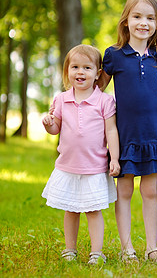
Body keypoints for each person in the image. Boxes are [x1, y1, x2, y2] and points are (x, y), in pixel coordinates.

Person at [100, 0, 157, 263]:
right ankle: (127, 248)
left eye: (150, 17)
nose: (143, 23)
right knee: (124, 191)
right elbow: (96, 90)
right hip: (125, 136)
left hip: (153, 134)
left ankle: (152, 248)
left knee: (149, 191)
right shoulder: (114, 56)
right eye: (137, 16)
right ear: (126, 21)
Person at [42, 44, 120, 265]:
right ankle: (70, 249)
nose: (80, 72)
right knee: (71, 209)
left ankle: (97, 252)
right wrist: (48, 124)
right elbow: (55, 127)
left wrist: (114, 158)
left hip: (94, 166)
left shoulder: (105, 101)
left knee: (93, 210)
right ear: (67, 71)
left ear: (97, 73)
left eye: (87, 68)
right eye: (75, 67)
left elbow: (111, 131)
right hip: (68, 165)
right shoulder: (61, 99)